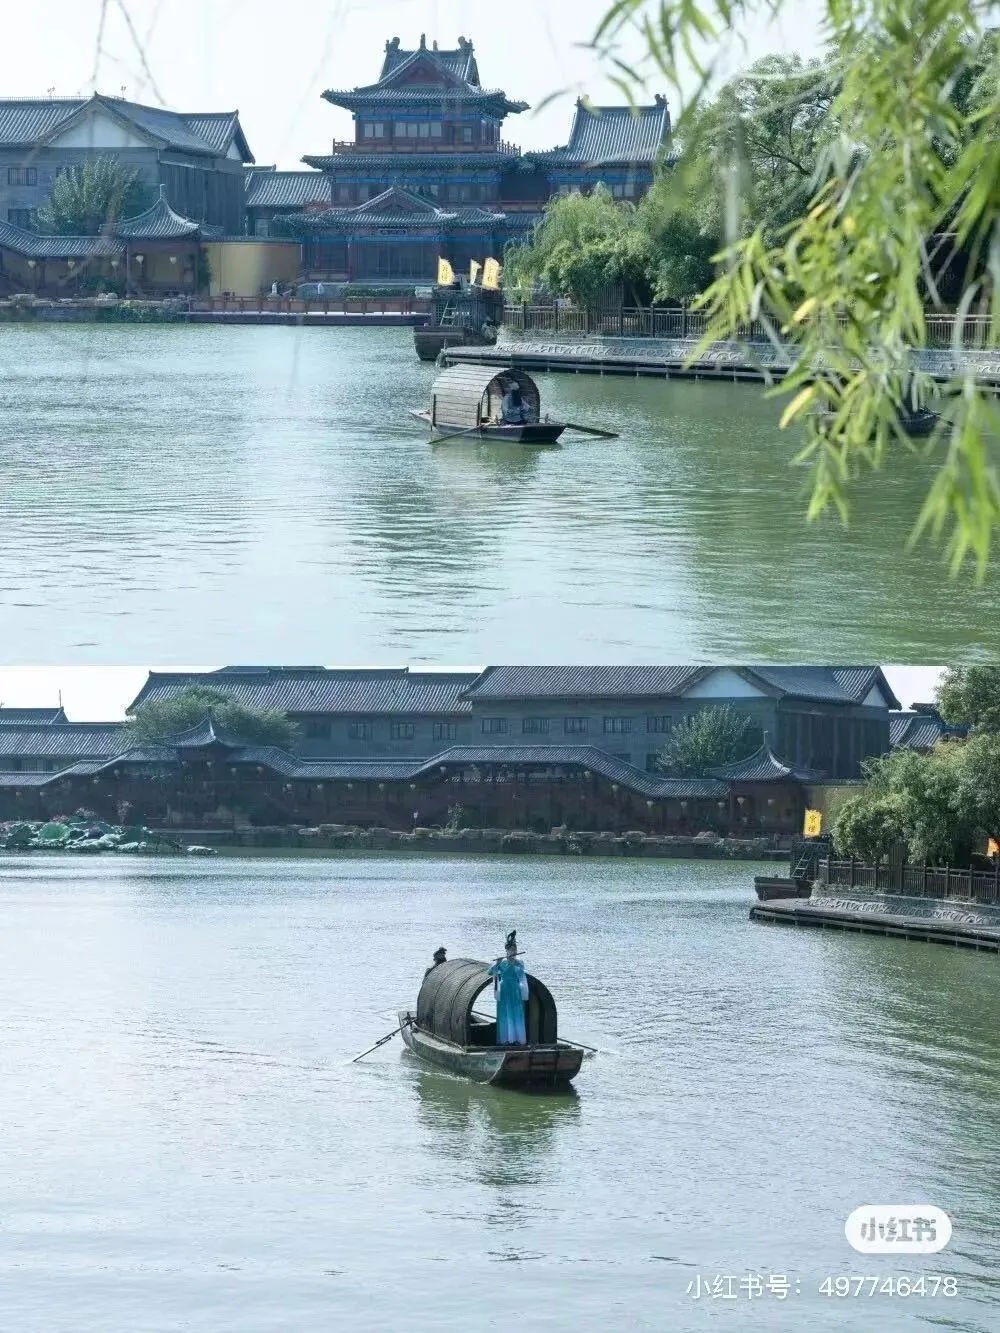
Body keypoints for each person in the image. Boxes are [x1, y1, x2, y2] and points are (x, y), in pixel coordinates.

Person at [488, 930, 529, 1045]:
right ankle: (506, 1039)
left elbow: (521, 975)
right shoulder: (501, 962)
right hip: (504, 988)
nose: (513, 951)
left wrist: (514, 963)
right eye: (511, 950)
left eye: (514, 950)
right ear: (506, 951)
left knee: (516, 1013)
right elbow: (490, 972)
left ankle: (518, 1039)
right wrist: (496, 963)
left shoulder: (519, 962)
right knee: (505, 1013)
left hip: (515, 990)